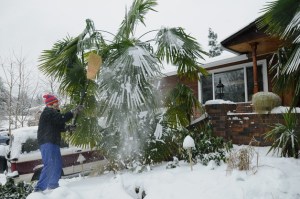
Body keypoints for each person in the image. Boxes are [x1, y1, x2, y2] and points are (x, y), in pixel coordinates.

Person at [34, 94, 82, 192]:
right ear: (51, 103)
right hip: (47, 141)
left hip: (54, 142)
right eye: (56, 102)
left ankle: (53, 185)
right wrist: (73, 112)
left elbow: (59, 126)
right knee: (50, 164)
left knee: (57, 164)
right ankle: (39, 189)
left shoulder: (53, 113)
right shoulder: (48, 112)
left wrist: (68, 128)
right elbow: (61, 118)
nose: (58, 104)